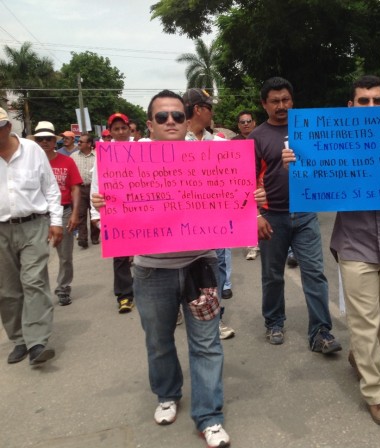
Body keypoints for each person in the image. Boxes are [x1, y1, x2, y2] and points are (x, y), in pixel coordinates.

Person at [91, 89, 266, 447]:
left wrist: (254, 199)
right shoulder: (121, 161)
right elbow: (101, 218)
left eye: (177, 116)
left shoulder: (212, 155)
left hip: (200, 266)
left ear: (187, 121)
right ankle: (167, 394)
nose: (170, 121)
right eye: (161, 116)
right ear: (150, 124)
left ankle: (210, 416)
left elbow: (242, 190)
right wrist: (101, 206)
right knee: (158, 340)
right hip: (151, 271)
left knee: (207, 343)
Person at [283, 75, 380, 427]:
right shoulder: (333, 142)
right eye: (364, 100)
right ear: (350, 106)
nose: (371, 106)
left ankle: (361, 357)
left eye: (378, 100)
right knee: (364, 320)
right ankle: (377, 392)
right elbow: (312, 179)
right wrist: (295, 163)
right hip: (354, 245)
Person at [251, 76, 341, 353]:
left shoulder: (309, 130)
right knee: (272, 275)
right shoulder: (256, 137)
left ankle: (321, 332)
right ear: (264, 104)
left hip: (305, 215)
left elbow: (329, 164)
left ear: (293, 100)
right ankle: (274, 322)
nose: (281, 105)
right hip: (272, 217)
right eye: (275, 101)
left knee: (315, 274)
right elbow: (246, 180)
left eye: (286, 99)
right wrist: (256, 215)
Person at [0, 108, 62, 365]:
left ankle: (37, 341)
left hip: (34, 225)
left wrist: (56, 221)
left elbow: (50, 186)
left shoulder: (32, 150)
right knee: (7, 290)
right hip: (1, 230)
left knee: (33, 281)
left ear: (7, 126)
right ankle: (19, 340)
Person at [182, 88, 235, 340]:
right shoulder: (172, 144)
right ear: (198, 110)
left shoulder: (222, 146)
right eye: (210, 107)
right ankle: (184, 310)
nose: (213, 113)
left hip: (216, 222)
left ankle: (215, 318)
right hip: (182, 222)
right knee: (184, 268)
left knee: (216, 268)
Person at [35, 121, 82, 306]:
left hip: (63, 212)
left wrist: (75, 213)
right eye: (40, 139)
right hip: (38, 216)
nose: (44, 142)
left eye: (48, 139)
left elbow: (75, 188)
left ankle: (63, 288)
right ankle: (39, 292)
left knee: (65, 256)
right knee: (37, 257)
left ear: (55, 141)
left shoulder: (67, 161)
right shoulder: (29, 164)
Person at [98, 113, 136, 314]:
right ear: (110, 132)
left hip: (141, 209)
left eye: (124, 128)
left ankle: (146, 287)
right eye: (116, 129)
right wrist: (96, 215)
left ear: (130, 129)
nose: (121, 132)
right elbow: (97, 183)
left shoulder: (143, 149)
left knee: (144, 250)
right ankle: (124, 295)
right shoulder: (104, 153)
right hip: (116, 210)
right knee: (120, 254)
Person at [232, 111, 261, 261]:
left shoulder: (261, 138)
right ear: (238, 125)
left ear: (254, 122)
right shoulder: (233, 142)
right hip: (242, 184)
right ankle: (252, 246)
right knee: (248, 213)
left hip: (262, 181)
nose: (246, 124)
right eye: (242, 122)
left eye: (248, 121)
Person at [71, 133, 99, 248]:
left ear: (89, 144)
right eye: (78, 141)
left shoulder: (98, 155)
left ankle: (95, 237)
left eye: (81, 142)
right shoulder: (73, 156)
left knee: (95, 213)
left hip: (94, 189)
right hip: (80, 189)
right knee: (81, 214)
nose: (79, 143)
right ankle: (82, 239)